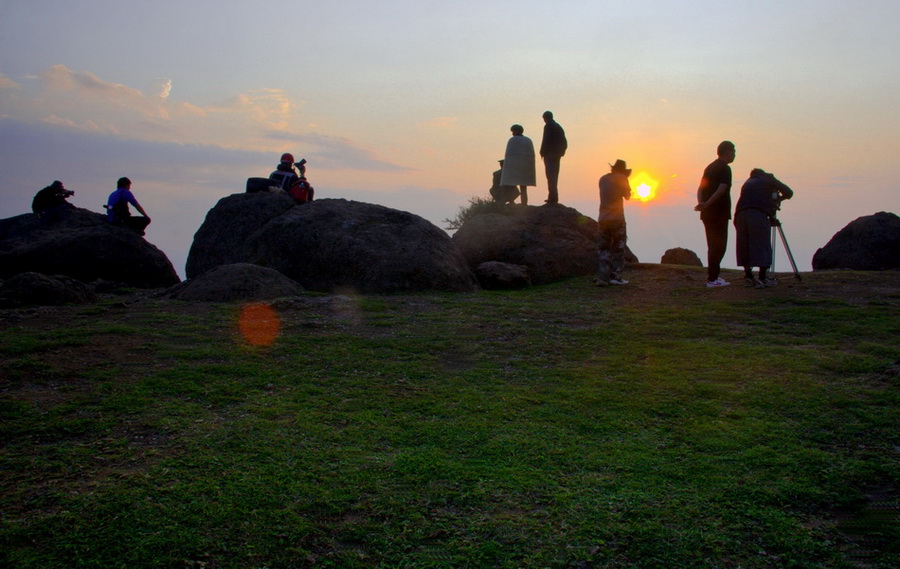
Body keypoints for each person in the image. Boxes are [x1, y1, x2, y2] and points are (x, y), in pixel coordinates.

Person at [734, 168, 794, 288]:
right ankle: (762, 277)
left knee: (744, 245)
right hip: (757, 214)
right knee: (762, 245)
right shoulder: (768, 178)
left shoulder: (747, 182)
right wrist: (776, 200)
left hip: (740, 215)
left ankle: (749, 276)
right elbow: (789, 192)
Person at [695, 140, 736, 288]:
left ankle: (713, 277)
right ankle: (712, 279)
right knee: (719, 246)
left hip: (707, 214)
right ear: (727, 152)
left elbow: (700, 188)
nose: (735, 155)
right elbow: (721, 189)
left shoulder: (710, 167)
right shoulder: (725, 169)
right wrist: (707, 204)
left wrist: (702, 203)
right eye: (733, 151)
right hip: (718, 213)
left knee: (712, 245)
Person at [596, 160, 633, 286]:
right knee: (618, 247)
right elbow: (627, 196)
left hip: (602, 218)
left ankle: (602, 277)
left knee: (604, 248)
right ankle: (616, 277)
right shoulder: (622, 178)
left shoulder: (602, 179)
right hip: (617, 218)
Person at [499, 124, 536, 205]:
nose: (512, 133)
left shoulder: (512, 140)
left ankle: (512, 203)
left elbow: (509, 157)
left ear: (517, 131)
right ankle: (524, 204)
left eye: (513, 131)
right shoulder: (528, 140)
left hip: (515, 169)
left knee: (511, 186)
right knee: (523, 188)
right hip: (524, 169)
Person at [539, 110, 567, 204]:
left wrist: (542, 152)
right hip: (556, 154)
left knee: (550, 175)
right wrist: (561, 152)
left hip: (550, 154)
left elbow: (546, 140)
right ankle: (553, 196)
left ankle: (553, 197)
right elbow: (564, 142)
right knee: (554, 175)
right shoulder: (558, 126)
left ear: (545, 118)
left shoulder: (548, 126)